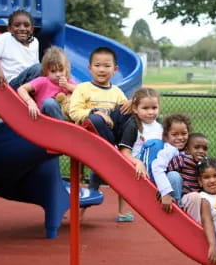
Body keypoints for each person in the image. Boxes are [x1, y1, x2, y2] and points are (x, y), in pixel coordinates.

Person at [68, 46, 131, 213]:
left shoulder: (117, 92)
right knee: (95, 118)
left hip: (110, 136)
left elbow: (123, 116)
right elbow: (74, 112)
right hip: (90, 138)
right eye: (97, 65)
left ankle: (124, 148)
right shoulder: (82, 89)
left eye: (107, 66)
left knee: (129, 109)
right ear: (89, 68)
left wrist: (132, 104)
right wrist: (96, 112)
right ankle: (112, 152)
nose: (102, 69)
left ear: (115, 69)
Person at [116, 87, 163, 221]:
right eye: (145, 108)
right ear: (135, 109)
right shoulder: (133, 126)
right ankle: (122, 212)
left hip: (155, 164)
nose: (150, 112)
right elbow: (124, 151)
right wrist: (137, 162)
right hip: (136, 164)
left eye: (154, 108)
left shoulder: (160, 126)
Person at [0, 10, 41, 90]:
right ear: (9, 28)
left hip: (30, 82)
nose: (22, 28)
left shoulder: (34, 41)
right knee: (40, 68)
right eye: (17, 25)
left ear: (32, 29)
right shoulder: (6, 38)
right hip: (14, 82)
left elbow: (35, 63)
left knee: (50, 69)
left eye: (26, 25)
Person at [17, 46, 76, 120]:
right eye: (53, 71)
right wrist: (30, 102)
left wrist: (67, 86)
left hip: (65, 114)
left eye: (61, 70)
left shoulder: (68, 81)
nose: (58, 74)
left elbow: (81, 91)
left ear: (66, 69)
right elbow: (21, 89)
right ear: (46, 71)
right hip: (45, 118)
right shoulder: (42, 81)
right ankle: (65, 127)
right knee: (49, 103)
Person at [151, 114, 192, 213]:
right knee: (174, 176)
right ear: (166, 136)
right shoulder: (169, 150)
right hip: (171, 191)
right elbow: (157, 167)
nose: (180, 138)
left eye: (184, 133)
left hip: (187, 191)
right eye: (174, 134)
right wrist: (165, 192)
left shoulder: (189, 149)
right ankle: (178, 208)